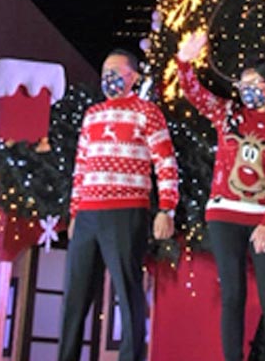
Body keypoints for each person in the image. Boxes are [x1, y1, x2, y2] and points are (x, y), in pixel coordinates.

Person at [176, 31, 265, 361]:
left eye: (256, 82)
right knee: (232, 294)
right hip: (224, 215)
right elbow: (194, 93)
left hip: (264, 220)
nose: (248, 88)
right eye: (244, 82)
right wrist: (185, 61)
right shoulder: (228, 114)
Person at [58, 49, 179, 361]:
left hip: (126, 211)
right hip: (88, 214)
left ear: (133, 77)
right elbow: (80, 166)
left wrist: (167, 208)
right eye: (104, 72)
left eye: (116, 71)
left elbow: (165, 161)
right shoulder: (92, 114)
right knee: (75, 294)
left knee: (127, 290)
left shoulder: (147, 112)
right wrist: (74, 212)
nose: (109, 78)